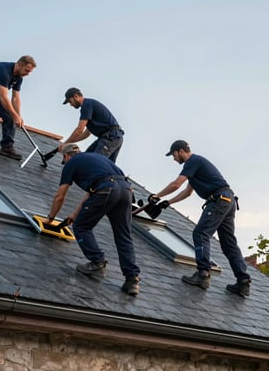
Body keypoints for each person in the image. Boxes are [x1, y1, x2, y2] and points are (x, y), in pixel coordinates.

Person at [149, 140, 251, 297]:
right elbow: (187, 192)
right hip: (227, 200)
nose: (174, 159)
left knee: (200, 234)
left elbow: (176, 185)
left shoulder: (192, 161)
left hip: (219, 200)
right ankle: (243, 281)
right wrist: (167, 202)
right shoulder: (196, 167)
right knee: (228, 242)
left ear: (181, 151)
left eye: (174, 155)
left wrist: (157, 196)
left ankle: (203, 274)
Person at [47, 143, 140, 296]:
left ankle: (97, 262)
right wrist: (76, 214)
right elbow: (94, 189)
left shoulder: (71, 163)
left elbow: (60, 196)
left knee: (81, 227)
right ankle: (132, 279)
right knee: (124, 235)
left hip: (106, 189)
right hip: (125, 190)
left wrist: (50, 219)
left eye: (64, 160)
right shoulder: (97, 158)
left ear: (66, 156)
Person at [60, 88, 124, 163]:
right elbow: (86, 134)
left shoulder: (86, 105)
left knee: (93, 163)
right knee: (89, 159)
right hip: (112, 137)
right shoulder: (89, 106)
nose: (71, 105)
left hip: (110, 137)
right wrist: (70, 142)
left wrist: (65, 143)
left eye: (70, 102)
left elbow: (80, 129)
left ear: (76, 96)